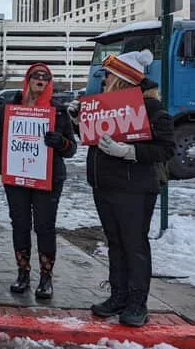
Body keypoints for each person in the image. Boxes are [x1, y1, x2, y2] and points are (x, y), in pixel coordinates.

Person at [70, 50, 175, 327]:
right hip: (104, 185)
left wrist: (129, 152)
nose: (103, 80)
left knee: (134, 244)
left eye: (108, 76)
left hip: (135, 188)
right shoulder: (102, 106)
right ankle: (118, 296)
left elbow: (166, 148)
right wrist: (76, 121)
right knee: (115, 243)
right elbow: (91, 138)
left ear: (122, 79)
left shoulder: (151, 109)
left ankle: (137, 303)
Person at [0, 63, 77, 300]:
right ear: (27, 79)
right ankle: (22, 273)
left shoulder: (58, 111)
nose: (41, 80)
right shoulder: (10, 107)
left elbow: (72, 148)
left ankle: (46, 277)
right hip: (17, 176)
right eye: (36, 76)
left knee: (44, 227)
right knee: (20, 224)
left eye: (45, 77)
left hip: (47, 179)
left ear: (50, 82)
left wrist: (60, 142)